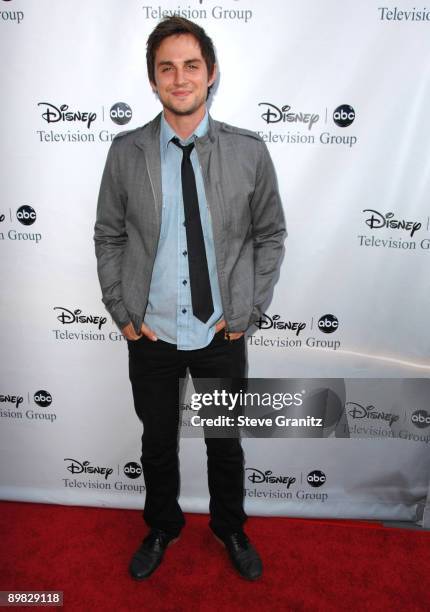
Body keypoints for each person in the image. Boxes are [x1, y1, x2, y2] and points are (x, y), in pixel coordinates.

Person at [94, 16, 286, 581]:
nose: (180, 78)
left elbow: (269, 234)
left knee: (225, 446)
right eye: (167, 68)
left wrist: (249, 309)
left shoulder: (248, 151)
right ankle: (161, 526)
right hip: (150, 332)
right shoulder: (125, 152)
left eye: (191, 66)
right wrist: (123, 315)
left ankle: (230, 527)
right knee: (157, 444)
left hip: (218, 332)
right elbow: (109, 234)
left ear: (212, 74)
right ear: (153, 81)